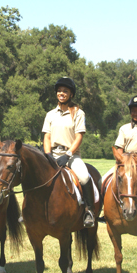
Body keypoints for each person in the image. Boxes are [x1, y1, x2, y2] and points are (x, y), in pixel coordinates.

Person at [42, 77, 96, 228]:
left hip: (70, 155)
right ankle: (29, 212)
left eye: (65, 91)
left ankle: (89, 211)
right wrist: (47, 155)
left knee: (84, 177)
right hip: (52, 154)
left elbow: (79, 136)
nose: (61, 93)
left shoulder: (78, 113)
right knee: (35, 173)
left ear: (71, 94)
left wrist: (68, 155)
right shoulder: (50, 114)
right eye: (59, 91)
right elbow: (47, 136)